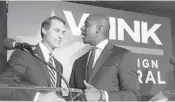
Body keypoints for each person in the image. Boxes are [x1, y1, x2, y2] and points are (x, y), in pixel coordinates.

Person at [69, 14, 141, 101]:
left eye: (86, 25)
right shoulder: (78, 62)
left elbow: (133, 96)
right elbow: (71, 96)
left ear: (99, 29)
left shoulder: (123, 55)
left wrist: (102, 95)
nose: (82, 28)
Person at [0, 16, 66, 102]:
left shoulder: (58, 65)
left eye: (63, 32)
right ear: (44, 30)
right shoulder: (25, 54)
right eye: (57, 31)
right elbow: (4, 85)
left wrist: (61, 98)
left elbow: (56, 93)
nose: (61, 36)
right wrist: (37, 97)